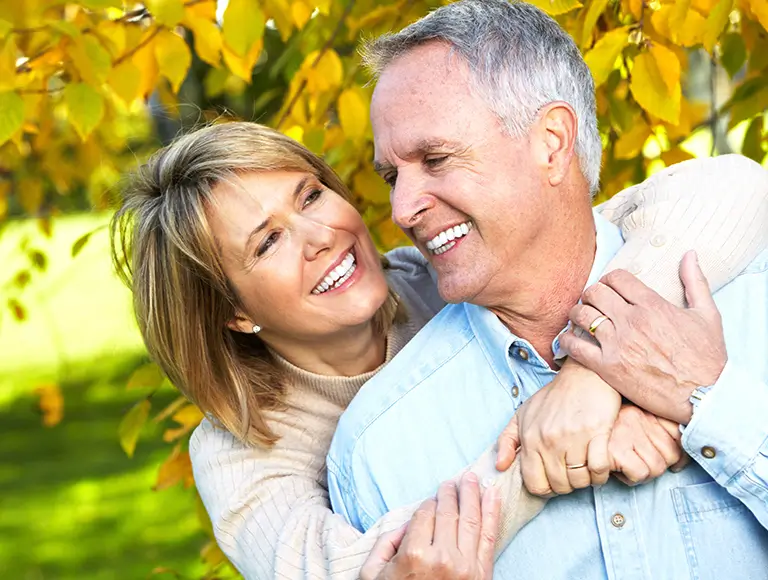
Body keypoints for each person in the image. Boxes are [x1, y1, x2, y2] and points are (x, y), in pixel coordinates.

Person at [112, 120, 767, 580]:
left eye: (311, 195)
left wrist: (597, 380)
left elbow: (729, 192)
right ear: (233, 314)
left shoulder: (446, 273)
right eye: (267, 242)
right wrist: (569, 446)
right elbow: (379, 573)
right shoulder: (240, 447)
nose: (321, 236)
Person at [326, 1, 768, 578]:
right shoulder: (377, 447)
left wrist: (709, 403)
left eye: (435, 159)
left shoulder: (753, 302)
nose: (402, 208)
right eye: (392, 177)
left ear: (553, 144)